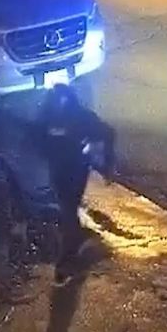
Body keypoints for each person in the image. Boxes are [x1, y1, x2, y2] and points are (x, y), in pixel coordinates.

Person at [33, 84, 116, 284]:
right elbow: (36, 137)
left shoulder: (82, 117)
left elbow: (107, 133)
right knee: (67, 209)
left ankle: (67, 260)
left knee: (68, 210)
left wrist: (107, 163)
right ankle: (74, 243)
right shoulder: (47, 116)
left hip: (76, 170)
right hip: (58, 169)